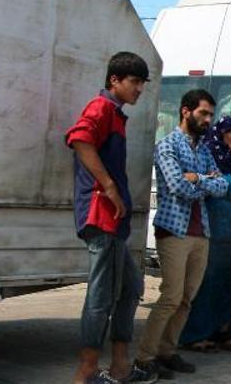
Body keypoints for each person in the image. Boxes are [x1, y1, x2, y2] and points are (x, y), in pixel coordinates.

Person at [64, 52, 150, 384]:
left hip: (113, 221)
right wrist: (110, 186)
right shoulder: (100, 107)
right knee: (100, 296)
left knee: (130, 288)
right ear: (114, 80)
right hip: (101, 217)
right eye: (135, 81)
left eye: (143, 82)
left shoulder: (116, 114)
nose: (140, 88)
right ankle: (86, 372)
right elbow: (80, 139)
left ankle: (120, 366)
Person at [132, 89, 229, 381]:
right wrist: (205, 182)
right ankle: (144, 357)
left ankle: (166, 351)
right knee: (171, 297)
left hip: (201, 233)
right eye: (203, 113)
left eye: (211, 114)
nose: (208, 119)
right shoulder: (168, 146)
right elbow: (178, 186)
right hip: (174, 230)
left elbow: (223, 186)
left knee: (187, 298)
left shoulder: (204, 148)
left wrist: (197, 178)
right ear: (186, 111)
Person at [179, 115, 231, 353]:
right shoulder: (210, 160)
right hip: (216, 232)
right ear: (221, 135)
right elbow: (201, 187)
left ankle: (226, 333)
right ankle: (198, 334)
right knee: (209, 284)